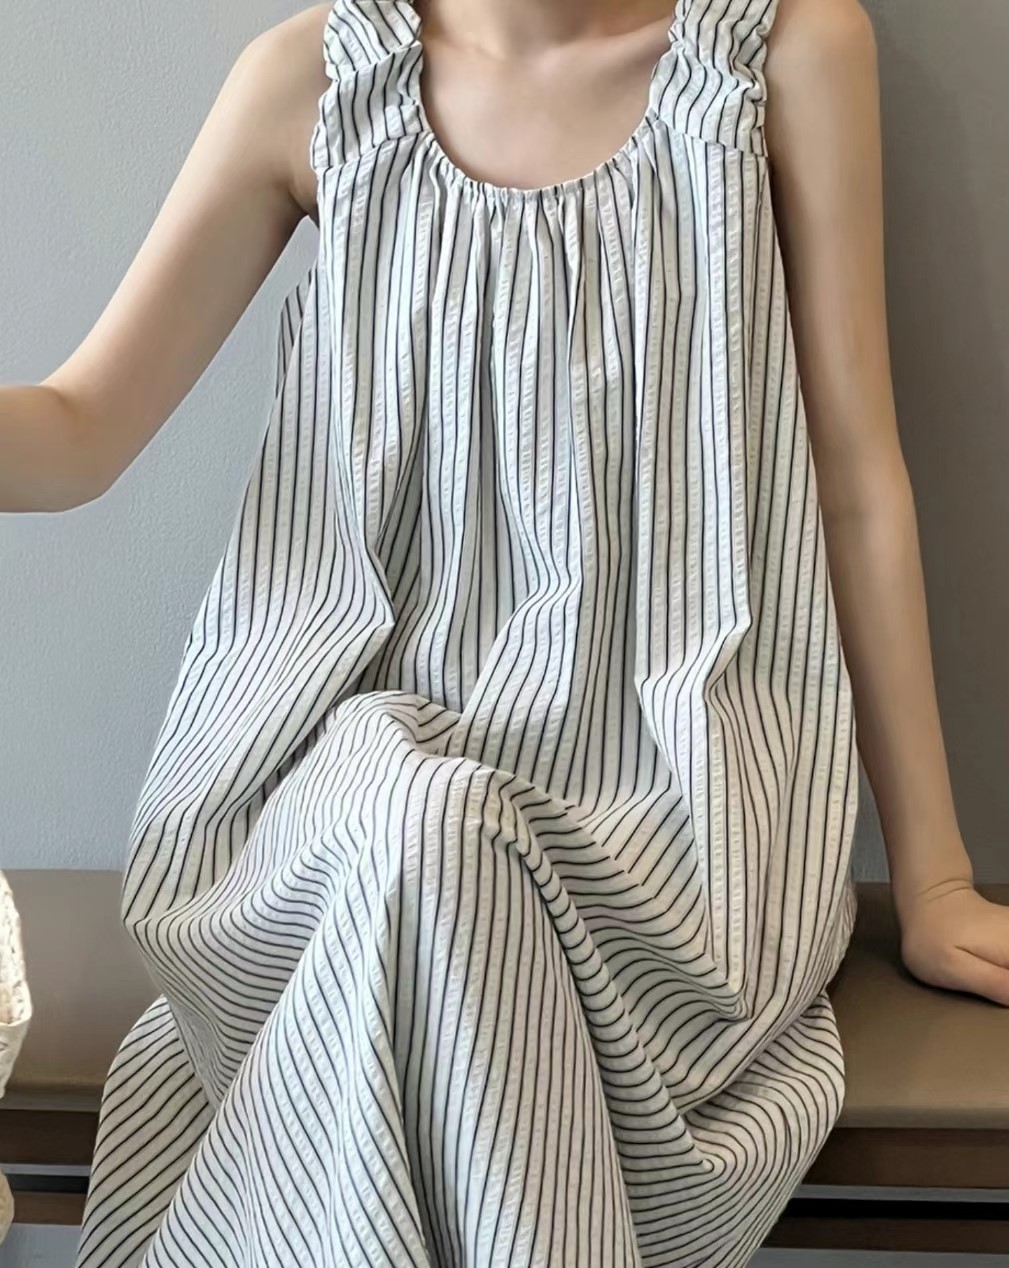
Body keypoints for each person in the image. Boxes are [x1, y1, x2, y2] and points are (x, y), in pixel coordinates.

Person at [3, 0, 1007, 1264]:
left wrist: (931, 879)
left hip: (672, 822)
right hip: (340, 787)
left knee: (436, 851)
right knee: (428, 827)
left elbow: (857, 480)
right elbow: (82, 427)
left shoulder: (776, 58)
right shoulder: (314, 84)